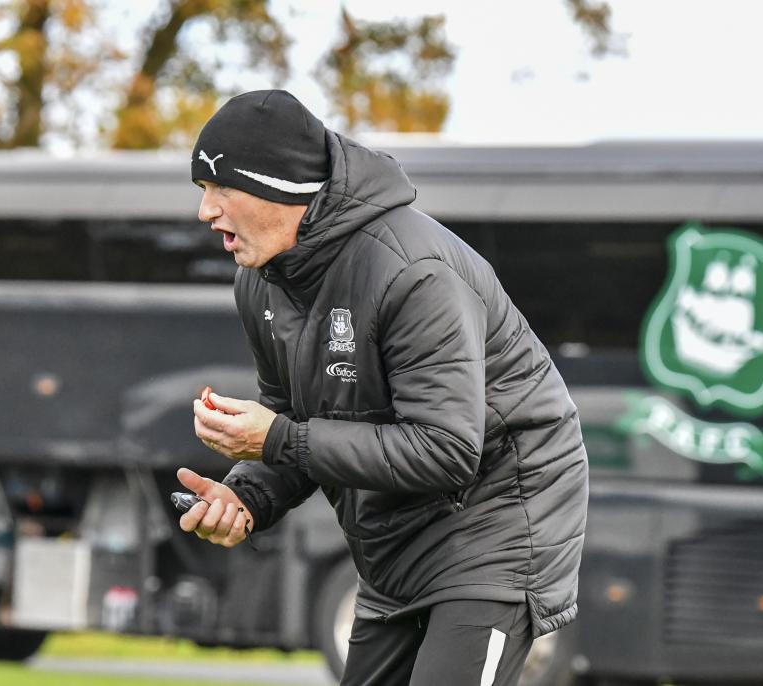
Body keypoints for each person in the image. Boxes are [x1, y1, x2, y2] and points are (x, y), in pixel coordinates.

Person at [176, 89, 588, 685]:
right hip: (394, 544)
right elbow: (294, 416)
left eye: (221, 190)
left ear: (280, 188)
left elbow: (445, 450)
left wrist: (277, 440)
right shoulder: (260, 283)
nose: (205, 212)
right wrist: (247, 496)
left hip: (497, 524)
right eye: (201, 192)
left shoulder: (413, 272)